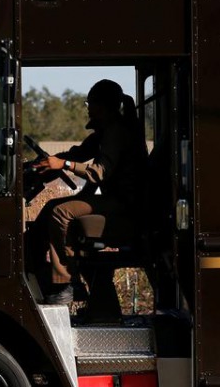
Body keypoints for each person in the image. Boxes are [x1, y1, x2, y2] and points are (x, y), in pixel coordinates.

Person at [30, 79, 148, 305]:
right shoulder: (104, 131)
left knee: (60, 212)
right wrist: (48, 162)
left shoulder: (116, 132)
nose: (88, 108)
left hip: (124, 204)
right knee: (51, 207)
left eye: (90, 103)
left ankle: (68, 283)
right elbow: (80, 153)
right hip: (114, 200)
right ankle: (36, 266)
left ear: (102, 105)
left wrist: (64, 164)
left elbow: (98, 173)